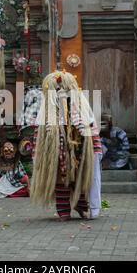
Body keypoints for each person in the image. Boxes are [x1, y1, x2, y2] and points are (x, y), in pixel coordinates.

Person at [30, 71, 99, 221]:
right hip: (56, 154)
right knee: (60, 181)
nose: (61, 93)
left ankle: (81, 206)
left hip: (79, 151)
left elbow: (92, 131)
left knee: (81, 178)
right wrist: (37, 156)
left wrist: (96, 149)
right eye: (56, 90)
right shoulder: (46, 114)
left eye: (65, 89)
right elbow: (38, 135)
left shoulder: (83, 110)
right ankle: (63, 210)